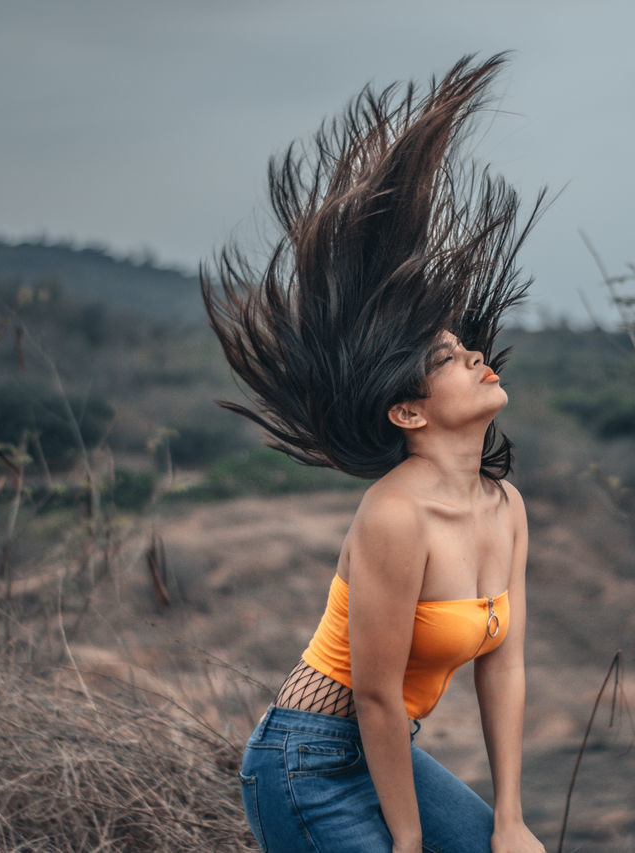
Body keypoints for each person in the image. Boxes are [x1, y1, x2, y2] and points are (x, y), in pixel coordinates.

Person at [201, 54, 546, 853]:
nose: (473, 357)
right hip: (309, 758)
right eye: (447, 357)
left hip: (386, 755)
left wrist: (510, 816)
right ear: (409, 411)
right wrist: (409, 841)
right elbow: (378, 697)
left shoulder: (506, 507)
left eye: (467, 346)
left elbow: (505, 667)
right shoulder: (394, 513)